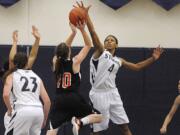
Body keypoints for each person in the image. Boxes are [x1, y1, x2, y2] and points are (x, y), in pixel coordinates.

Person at [74, 2, 164, 135]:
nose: (108, 41)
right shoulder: (100, 53)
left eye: (111, 40)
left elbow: (137, 67)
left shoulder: (119, 60)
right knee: (97, 131)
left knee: (124, 126)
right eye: (106, 40)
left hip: (113, 93)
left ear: (116, 44)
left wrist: (153, 58)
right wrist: (87, 16)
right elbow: (93, 34)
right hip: (98, 94)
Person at [46, 22, 102, 135]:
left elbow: (62, 50)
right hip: (73, 98)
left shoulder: (55, 62)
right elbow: (88, 45)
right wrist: (81, 30)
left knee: (52, 130)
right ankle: (79, 122)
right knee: (98, 117)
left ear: (57, 53)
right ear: (69, 51)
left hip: (59, 100)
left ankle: (76, 121)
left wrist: (73, 33)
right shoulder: (75, 61)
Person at [3, 26, 41, 133]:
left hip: (17, 111)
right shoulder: (21, 72)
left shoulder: (12, 74)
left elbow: (12, 58)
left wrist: (15, 42)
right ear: (25, 63)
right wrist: (37, 40)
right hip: (29, 111)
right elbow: (32, 55)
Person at [3, 52, 51, 135]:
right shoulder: (37, 77)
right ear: (26, 63)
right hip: (38, 112)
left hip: (22, 110)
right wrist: (45, 119)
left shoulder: (12, 75)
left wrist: (10, 110)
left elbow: (6, 95)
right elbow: (47, 101)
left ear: (14, 63)